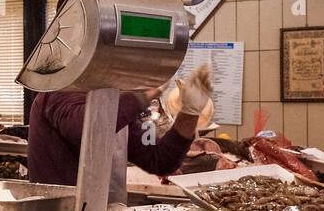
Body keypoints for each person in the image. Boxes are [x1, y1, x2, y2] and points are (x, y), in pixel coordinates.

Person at [26, 64, 212, 187]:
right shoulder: (60, 90)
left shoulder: (115, 102)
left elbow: (159, 160)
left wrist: (190, 112)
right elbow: (86, 128)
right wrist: (142, 95)